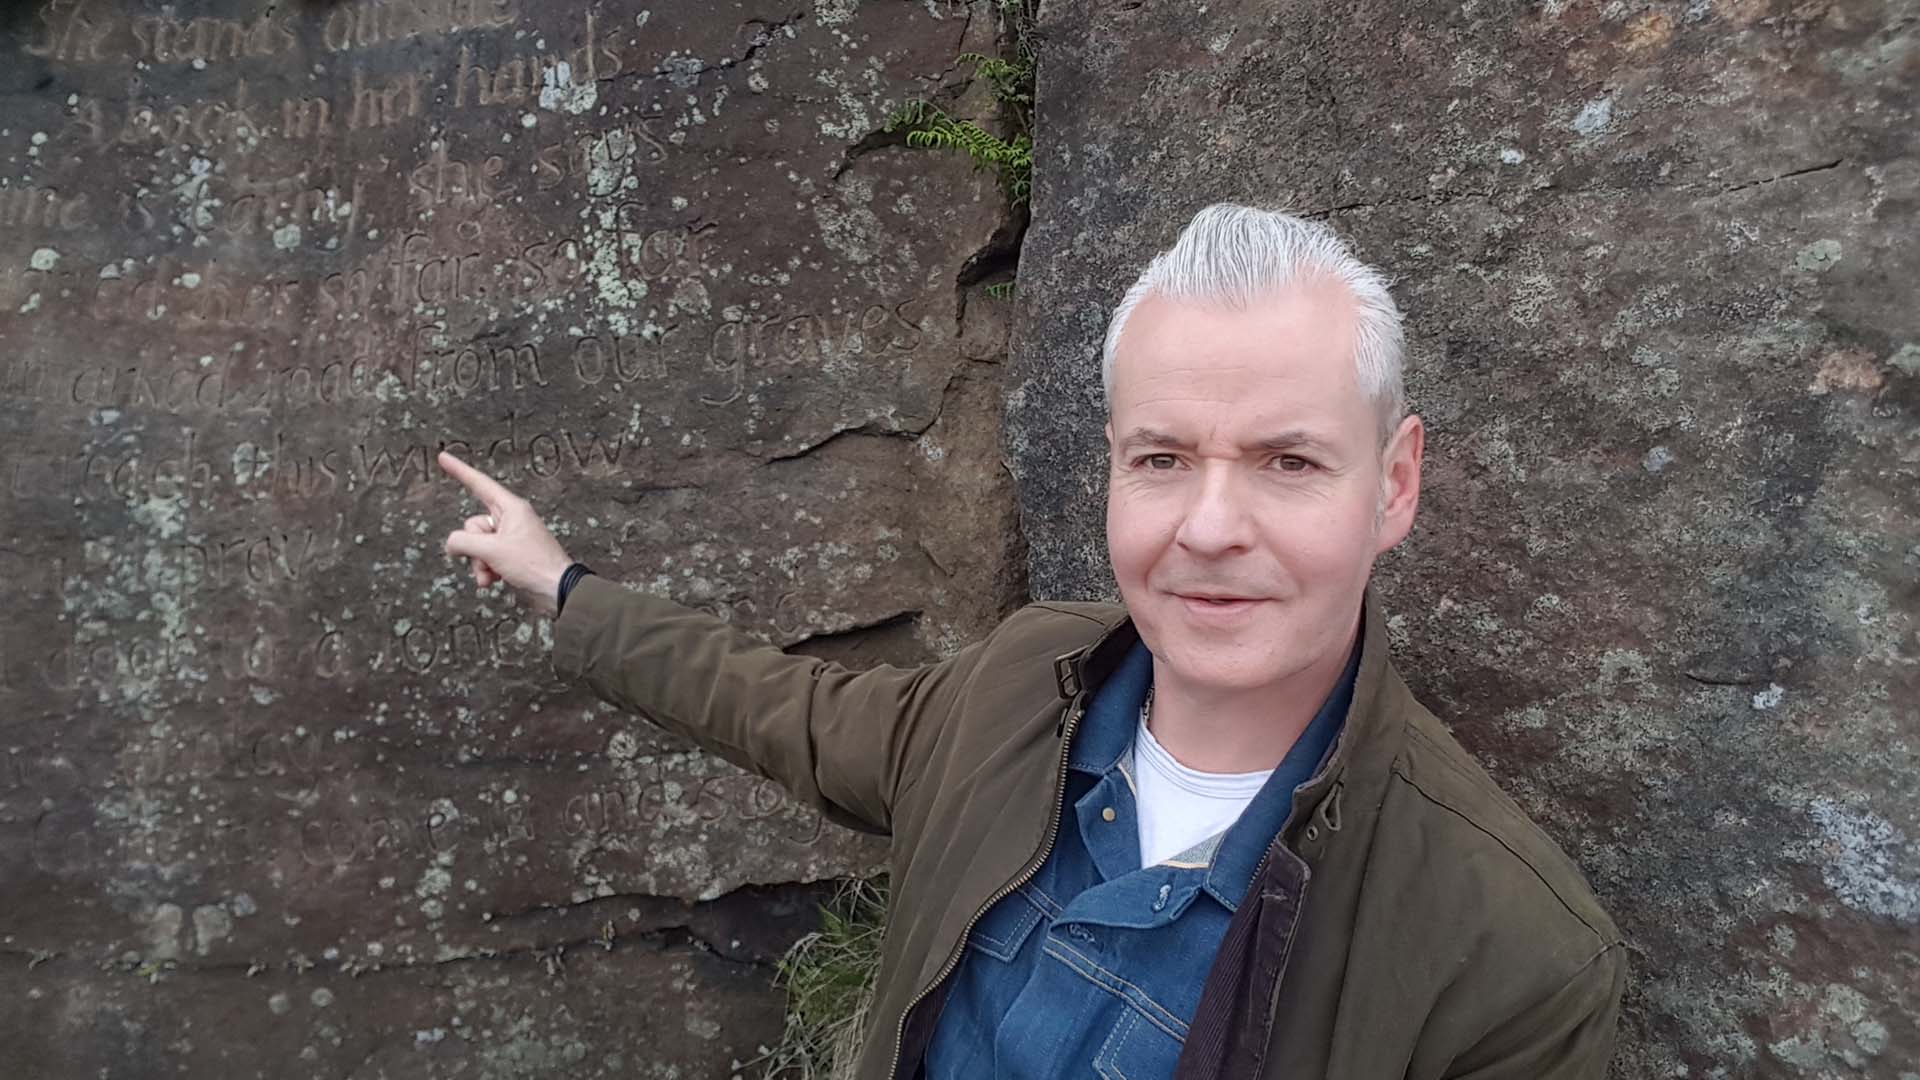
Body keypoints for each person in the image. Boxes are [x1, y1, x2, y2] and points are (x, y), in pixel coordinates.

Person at [439, 203, 1626, 1079]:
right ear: (1109, 462)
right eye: (1162, 459)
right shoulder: (1020, 684)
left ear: (1397, 483)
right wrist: (565, 586)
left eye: (1289, 462)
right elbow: (787, 711)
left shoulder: (1511, 960)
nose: (1211, 529)